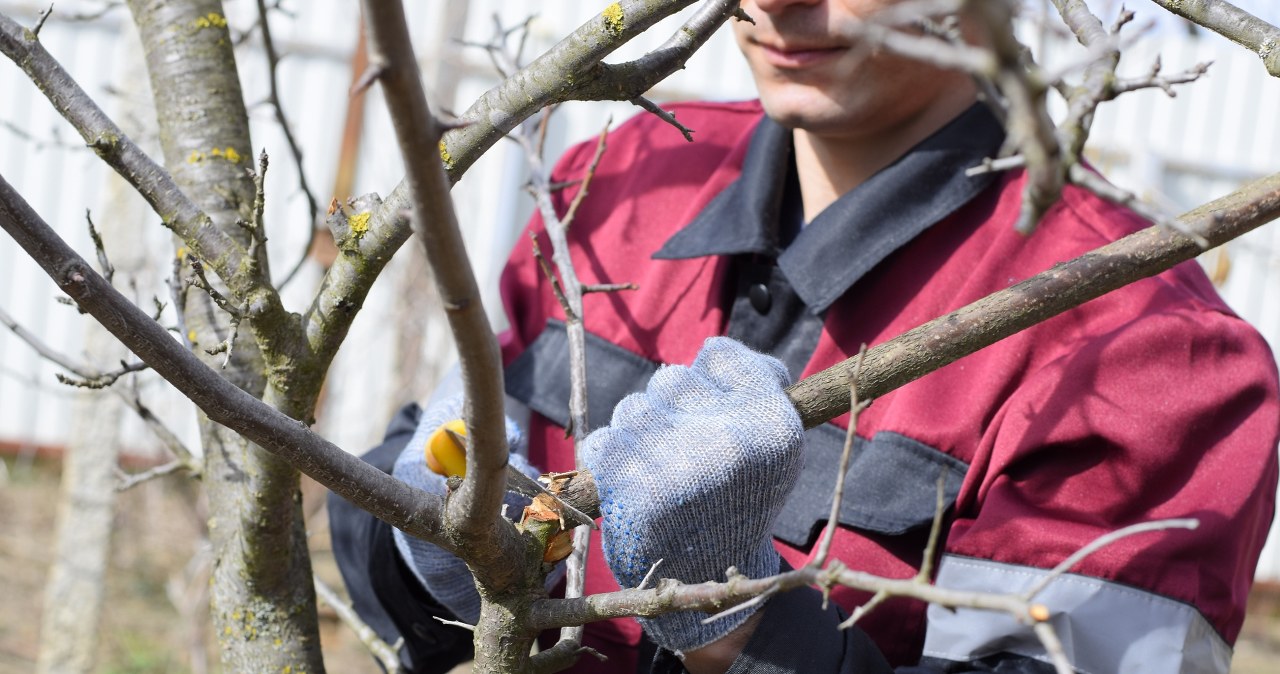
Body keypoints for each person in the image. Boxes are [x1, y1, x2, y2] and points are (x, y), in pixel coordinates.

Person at [328, 1, 1280, 672]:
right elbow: (416, 502)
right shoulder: (617, 181)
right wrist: (425, 549)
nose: (775, 1)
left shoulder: (1148, 354)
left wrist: (741, 633)